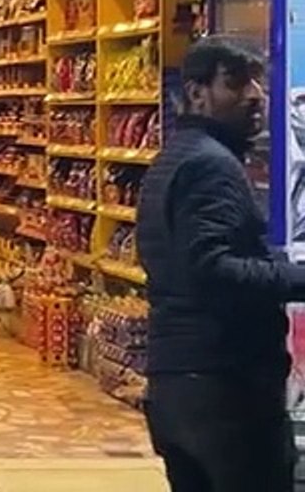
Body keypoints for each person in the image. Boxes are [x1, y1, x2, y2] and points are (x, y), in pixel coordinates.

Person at [138, 36, 305, 492]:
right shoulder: (210, 165)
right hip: (224, 387)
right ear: (197, 92)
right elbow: (213, 269)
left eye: (259, 82)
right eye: (236, 82)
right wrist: (293, 277)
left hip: (179, 382)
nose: (255, 95)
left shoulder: (176, 157)